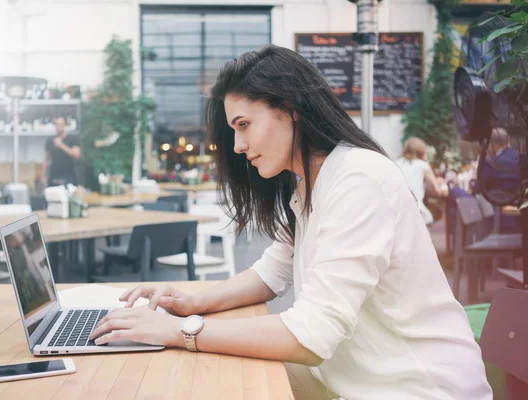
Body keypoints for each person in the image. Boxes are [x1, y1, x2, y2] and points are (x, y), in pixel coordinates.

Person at [89, 45, 491, 400]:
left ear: (291, 108)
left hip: (419, 388)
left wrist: (181, 332)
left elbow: (312, 335)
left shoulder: (359, 181)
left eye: (243, 125)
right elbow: (270, 274)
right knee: (208, 378)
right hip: (354, 380)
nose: (238, 146)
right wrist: (190, 302)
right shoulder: (311, 184)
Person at [395, 137, 449, 225]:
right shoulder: (423, 166)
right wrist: (441, 183)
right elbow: (436, 189)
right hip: (416, 209)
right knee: (436, 213)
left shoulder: (397, 163)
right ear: (422, 152)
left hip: (398, 208)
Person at [479, 127, 521, 233]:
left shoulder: (492, 163)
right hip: (521, 219)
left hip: (496, 220)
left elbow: (479, 188)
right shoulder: (522, 160)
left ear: (492, 143)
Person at [41, 118, 81, 187]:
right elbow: (46, 160)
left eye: (60, 125)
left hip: (68, 176)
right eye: (56, 125)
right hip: (54, 176)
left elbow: (76, 155)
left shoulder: (72, 139)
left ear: (64, 125)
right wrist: (43, 176)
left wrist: (61, 145)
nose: (58, 127)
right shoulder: (50, 140)